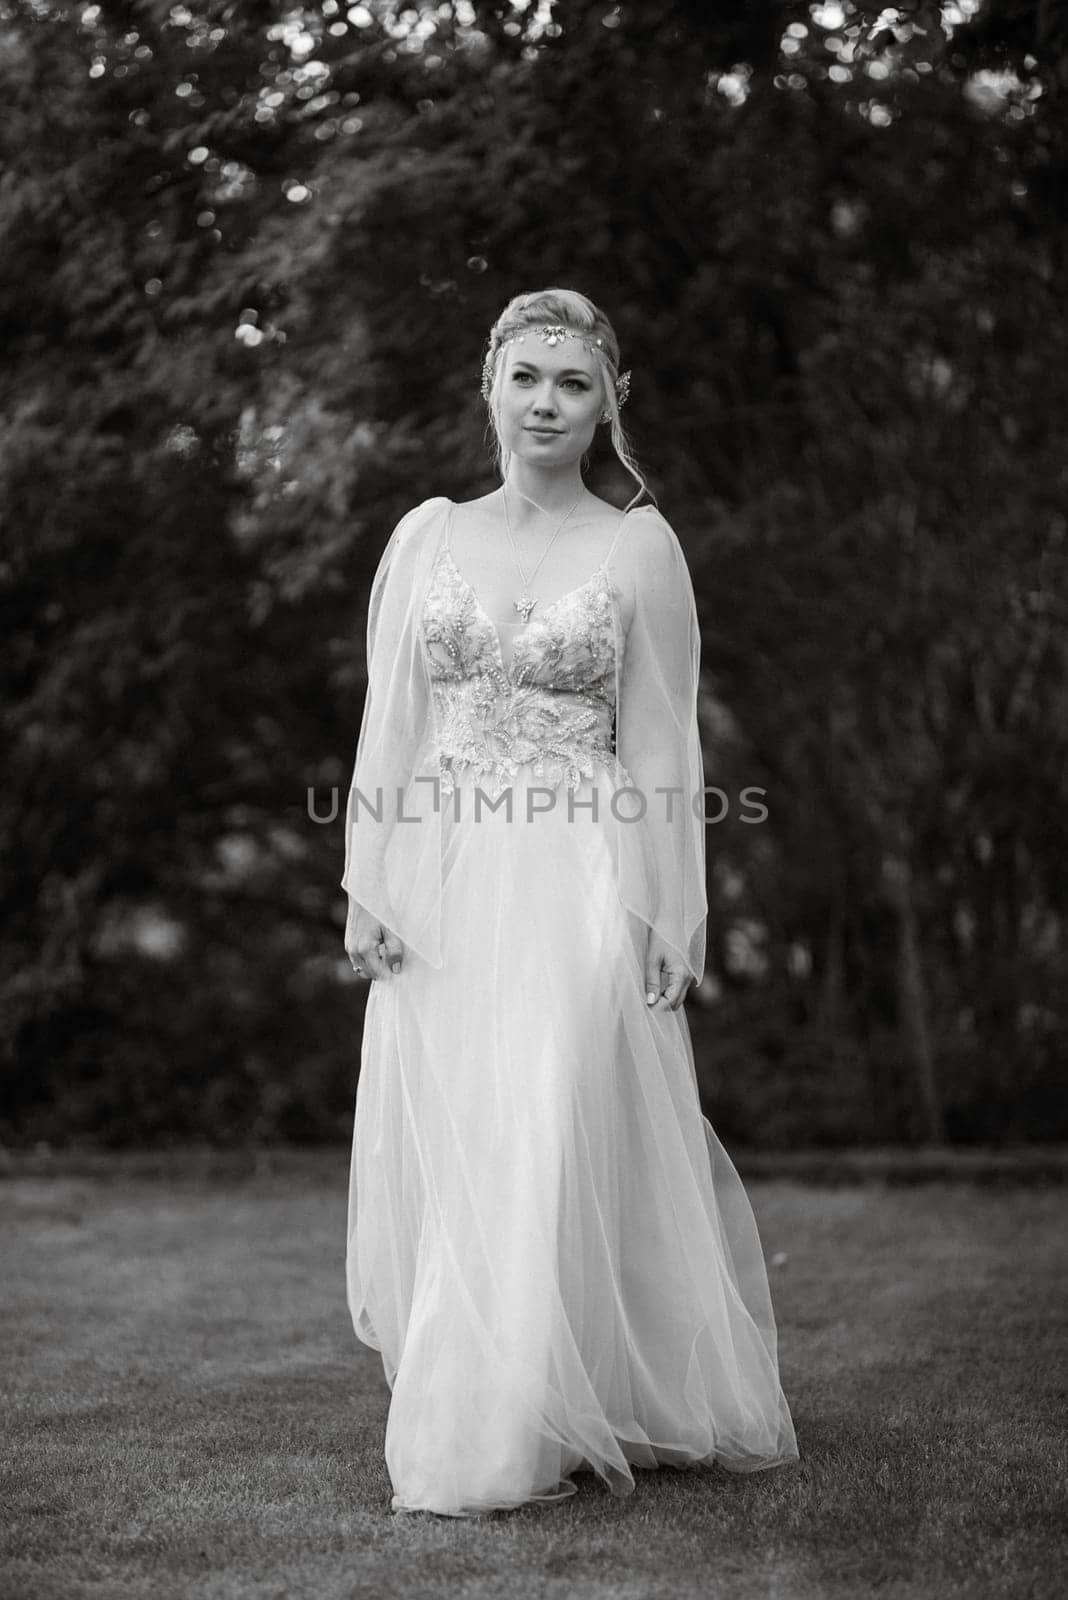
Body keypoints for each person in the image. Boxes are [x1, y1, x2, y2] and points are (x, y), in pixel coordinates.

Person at [341, 287, 798, 1517]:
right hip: (443, 872)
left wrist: (672, 905)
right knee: (467, 1131)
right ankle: (504, 1394)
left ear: (610, 403)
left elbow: (661, 748)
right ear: (488, 382)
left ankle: (499, 1432)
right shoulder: (426, 534)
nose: (547, 402)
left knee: (541, 1125)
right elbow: (394, 726)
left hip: (576, 872)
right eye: (528, 376)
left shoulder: (635, 545)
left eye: (574, 382)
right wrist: (367, 879)